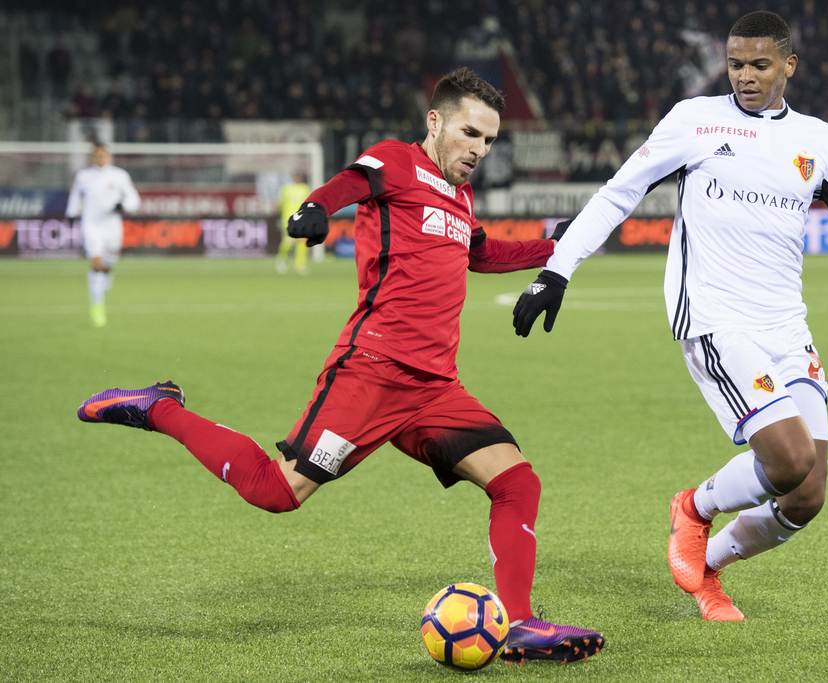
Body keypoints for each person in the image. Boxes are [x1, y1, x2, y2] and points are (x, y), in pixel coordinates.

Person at [77, 68, 601, 664]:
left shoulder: (459, 195)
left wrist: (556, 247)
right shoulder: (397, 162)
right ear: (435, 122)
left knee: (516, 482)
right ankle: (160, 408)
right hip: (372, 373)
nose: (480, 149)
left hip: (433, 388)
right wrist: (315, 207)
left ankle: (520, 625)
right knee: (276, 492)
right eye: (470, 133)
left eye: (489, 140)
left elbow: (480, 253)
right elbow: (354, 180)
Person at [511, 11, 828, 622]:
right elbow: (619, 191)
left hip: (786, 327)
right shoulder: (694, 121)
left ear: (788, 66)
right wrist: (556, 269)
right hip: (716, 318)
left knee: (807, 495)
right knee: (789, 459)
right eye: (736, 64)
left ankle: (709, 571)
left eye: (760, 64)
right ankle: (693, 509)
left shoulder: (820, 141)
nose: (745, 76)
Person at [66, 143, 141, 327]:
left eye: (103, 155)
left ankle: (104, 282)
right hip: (92, 225)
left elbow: (134, 199)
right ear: (92, 157)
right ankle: (97, 306)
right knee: (97, 263)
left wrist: (123, 206)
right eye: (96, 155)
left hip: (112, 227)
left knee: (108, 265)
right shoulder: (83, 176)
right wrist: (71, 213)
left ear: (109, 156)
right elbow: (76, 196)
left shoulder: (119, 175)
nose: (100, 158)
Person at [275, 170, 312, 274]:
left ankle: (299, 265)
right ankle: (281, 259)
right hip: (288, 219)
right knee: (288, 242)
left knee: (301, 242)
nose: (298, 178)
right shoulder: (286, 189)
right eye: (296, 176)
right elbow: (279, 204)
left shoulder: (305, 189)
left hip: (302, 219)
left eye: (299, 176)